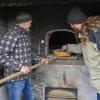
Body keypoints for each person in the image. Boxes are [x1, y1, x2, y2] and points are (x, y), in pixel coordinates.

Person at [0, 12, 48, 100]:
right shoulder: (12, 35)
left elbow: (28, 53)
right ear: (24, 23)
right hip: (15, 78)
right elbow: (1, 56)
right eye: (29, 23)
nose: (30, 25)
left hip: (26, 75)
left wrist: (40, 59)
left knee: (30, 97)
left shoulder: (25, 35)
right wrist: (19, 67)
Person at [61, 7, 100, 100]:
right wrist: (68, 47)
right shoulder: (85, 32)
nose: (71, 27)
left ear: (76, 23)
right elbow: (84, 48)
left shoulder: (96, 32)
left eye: (71, 24)